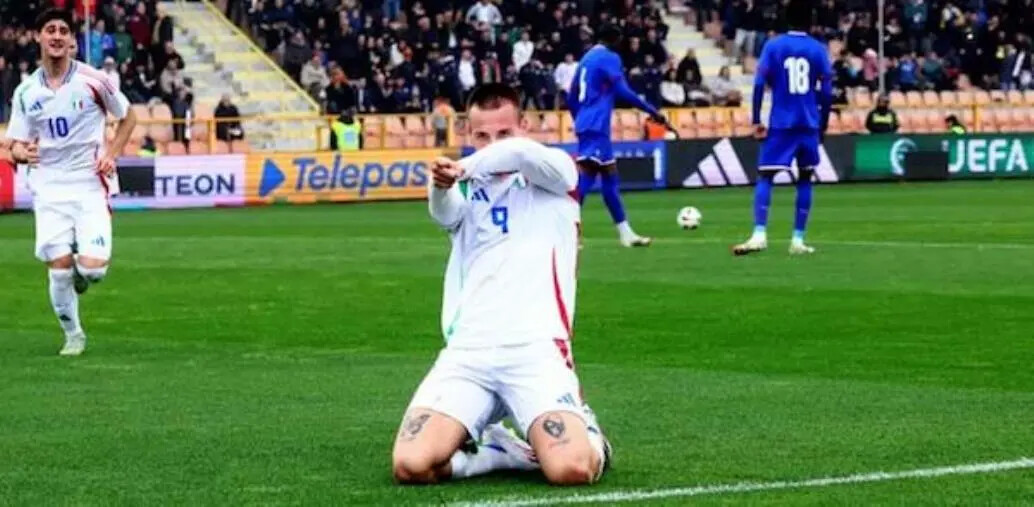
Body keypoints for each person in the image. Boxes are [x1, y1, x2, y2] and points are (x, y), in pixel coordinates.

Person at [392, 83, 610, 486]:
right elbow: (443, 213)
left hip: (535, 352)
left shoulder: (555, 170)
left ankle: (590, 431)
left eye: (504, 133)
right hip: (468, 354)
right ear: (467, 134)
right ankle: (499, 452)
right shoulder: (464, 187)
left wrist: (466, 165)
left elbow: (520, 154)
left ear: (524, 126)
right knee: (411, 464)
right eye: (481, 135)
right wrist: (441, 183)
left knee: (571, 469)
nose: (493, 144)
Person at [4, 9, 137, 356]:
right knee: (59, 271)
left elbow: (128, 116)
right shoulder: (26, 92)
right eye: (50, 30)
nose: (57, 36)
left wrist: (112, 153)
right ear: (39, 37)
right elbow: (13, 144)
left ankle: (83, 269)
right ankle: (73, 335)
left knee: (93, 272)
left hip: (89, 184)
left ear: (72, 41)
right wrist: (21, 153)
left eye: (63, 31)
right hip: (48, 188)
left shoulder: (93, 80)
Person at [733, 0, 831, 256]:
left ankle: (759, 234)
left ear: (786, 19)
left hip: (782, 122)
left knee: (766, 176)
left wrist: (756, 119)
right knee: (805, 178)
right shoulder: (819, 49)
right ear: (811, 22)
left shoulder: (773, 45)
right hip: (809, 123)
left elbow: (758, 84)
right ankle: (798, 240)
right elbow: (826, 92)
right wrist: (823, 125)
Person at [566, 24, 674, 248]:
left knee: (609, 178)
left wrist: (580, 119)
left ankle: (626, 234)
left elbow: (571, 97)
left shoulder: (586, 59)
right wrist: (652, 111)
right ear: (615, 40)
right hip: (596, 125)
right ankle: (567, 232)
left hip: (589, 124)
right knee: (585, 179)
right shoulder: (610, 57)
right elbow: (623, 91)